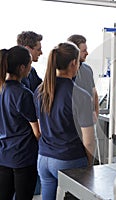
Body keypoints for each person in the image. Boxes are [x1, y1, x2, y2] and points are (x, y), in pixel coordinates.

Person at [34, 42, 95, 200]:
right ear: (74, 63)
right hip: (68, 159)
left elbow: (40, 128)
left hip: (43, 159)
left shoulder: (40, 91)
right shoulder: (80, 95)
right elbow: (88, 140)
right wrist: (89, 164)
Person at [0, 46, 40, 200]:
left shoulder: (2, 89)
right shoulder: (23, 94)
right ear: (22, 67)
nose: (31, 68)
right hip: (23, 157)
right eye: (30, 64)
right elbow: (37, 132)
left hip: (3, 155)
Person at [17, 30, 43, 195]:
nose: (41, 52)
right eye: (38, 48)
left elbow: (42, 89)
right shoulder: (16, 87)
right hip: (20, 141)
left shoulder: (31, 72)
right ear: (27, 48)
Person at [67, 34, 99, 119]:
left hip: (88, 118)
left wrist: (95, 113)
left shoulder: (87, 69)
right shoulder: (66, 72)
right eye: (84, 51)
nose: (87, 53)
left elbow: (94, 93)